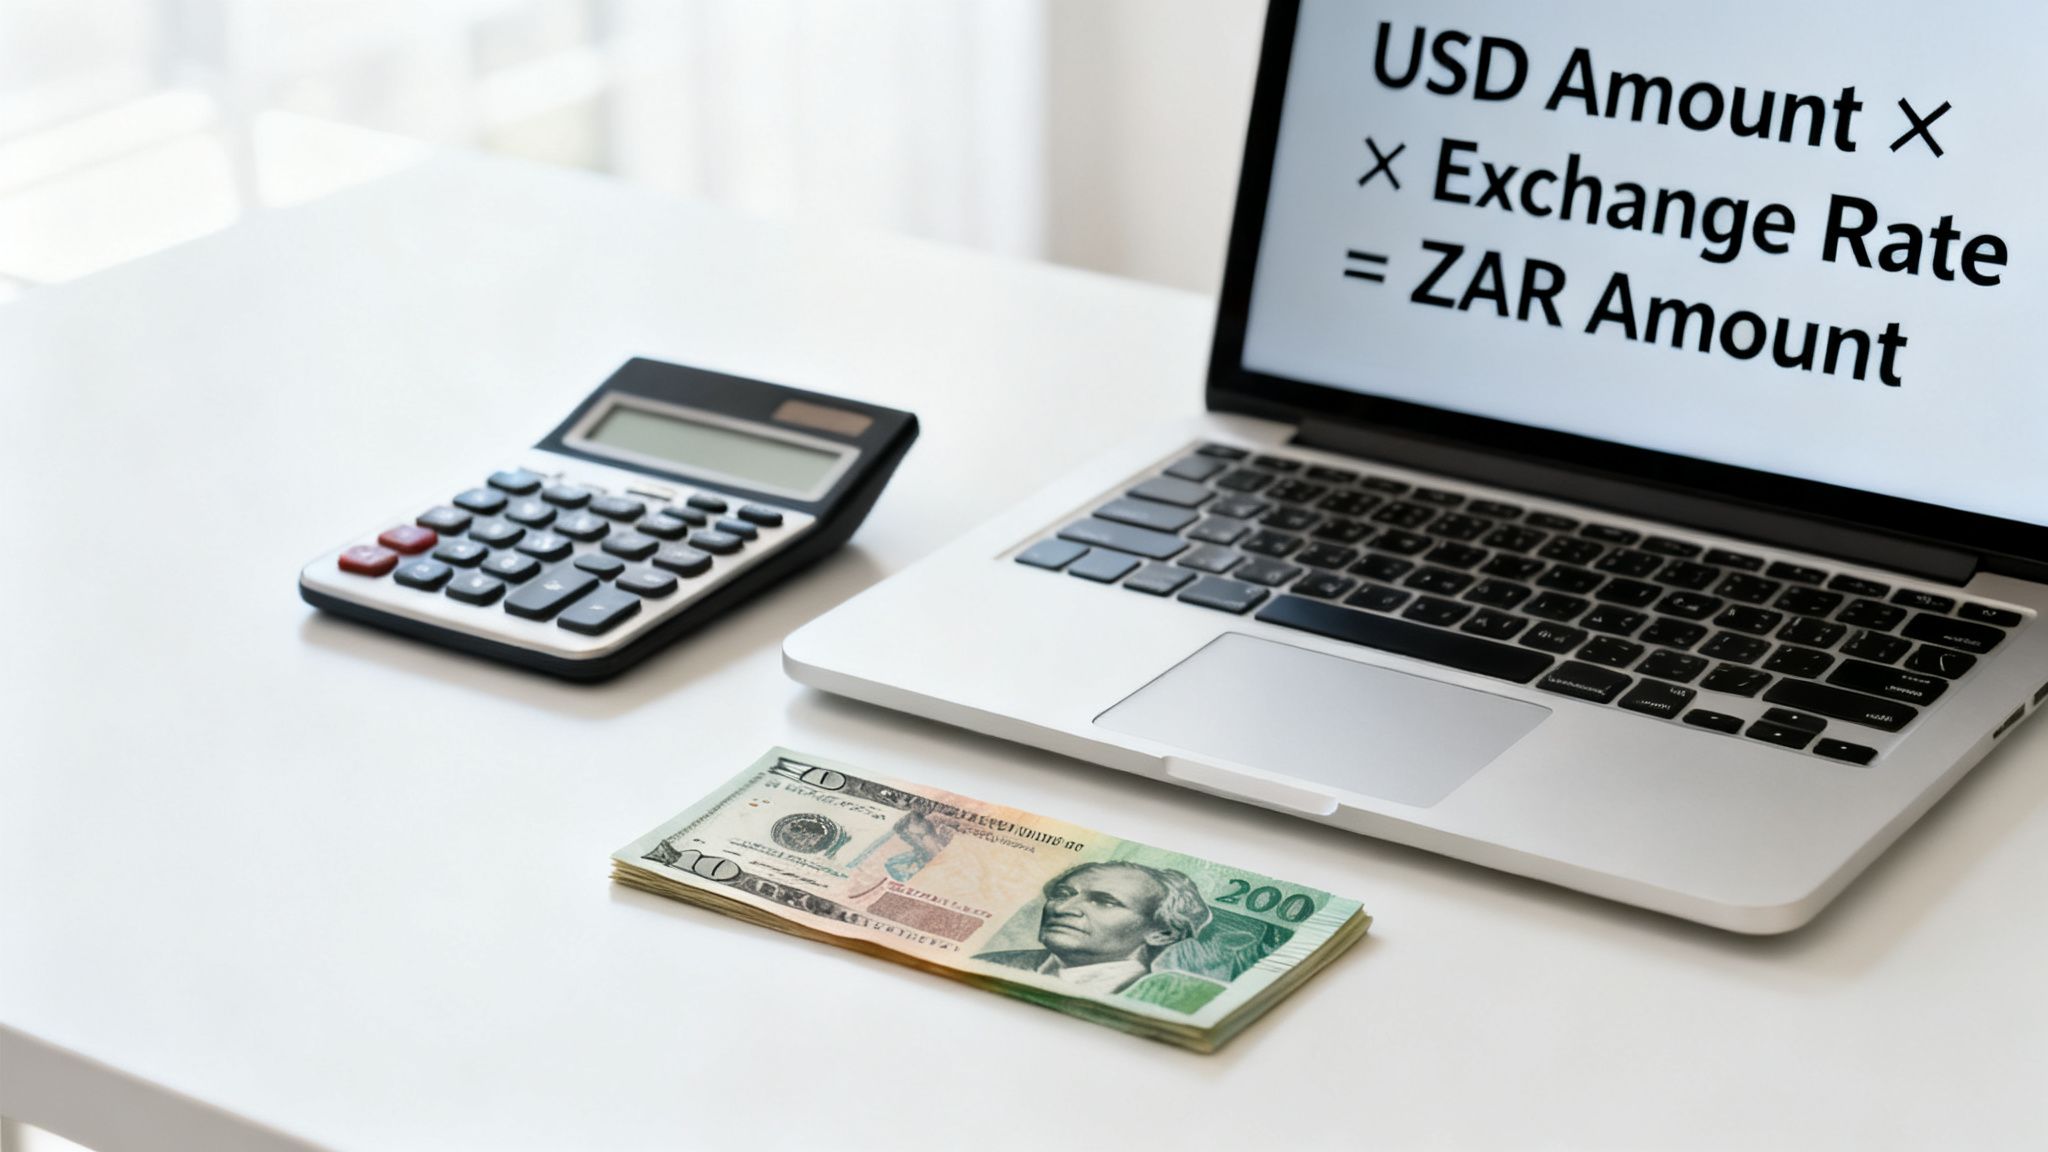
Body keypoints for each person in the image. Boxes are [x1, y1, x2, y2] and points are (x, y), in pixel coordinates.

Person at [975, 861, 1220, 1000]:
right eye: (1062, 895)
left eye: (1106, 901)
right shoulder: (987, 964)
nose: (1064, 908)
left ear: (1163, 933)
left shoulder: (1174, 999)